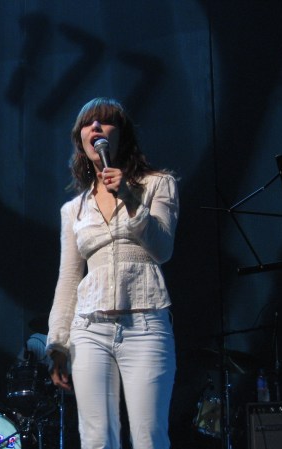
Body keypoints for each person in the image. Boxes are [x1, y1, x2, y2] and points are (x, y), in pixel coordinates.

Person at [46, 97, 179, 449]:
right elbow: (69, 276)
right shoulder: (73, 209)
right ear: (80, 141)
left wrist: (130, 197)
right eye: (88, 125)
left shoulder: (157, 185)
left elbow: (162, 249)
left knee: (149, 438)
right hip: (89, 329)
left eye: (105, 123)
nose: (96, 129)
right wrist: (58, 343)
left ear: (122, 136)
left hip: (145, 323)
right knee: (96, 439)